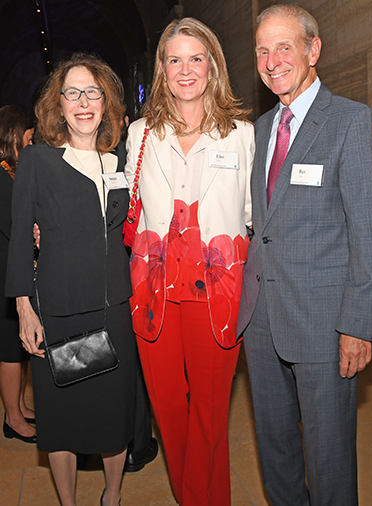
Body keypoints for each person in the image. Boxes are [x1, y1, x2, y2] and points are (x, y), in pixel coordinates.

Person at [237, 4, 372, 506]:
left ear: (313, 49)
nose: (272, 59)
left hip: (326, 326)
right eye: (263, 50)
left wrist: (358, 325)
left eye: (285, 46)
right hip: (262, 323)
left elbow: (370, 231)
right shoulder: (257, 132)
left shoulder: (351, 122)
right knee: (276, 452)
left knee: (328, 459)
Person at [124, 17, 254, 506]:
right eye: (174, 59)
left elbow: (253, 214)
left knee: (209, 411)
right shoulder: (140, 134)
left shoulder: (241, 134)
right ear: (161, 68)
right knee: (168, 408)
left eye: (195, 58)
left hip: (215, 291)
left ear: (212, 65)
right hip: (153, 290)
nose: (185, 70)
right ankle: (196, 497)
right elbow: (122, 204)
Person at [5, 53, 136, 506]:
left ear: (106, 103)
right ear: (57, 105)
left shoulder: (118, 160)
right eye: (73, 93)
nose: (84, 102)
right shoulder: (39, 161)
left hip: (115, 309)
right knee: (60, 420)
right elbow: (20, 236)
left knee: (114, 415)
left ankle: (113, 496)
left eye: (93, 92)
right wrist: (24, 308)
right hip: (57, 311)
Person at [0, 105, 36, 444]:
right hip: (4, 274)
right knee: (10, 351)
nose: (30, 144)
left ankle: (19, 405)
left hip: (10, 268)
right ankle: (12, 418)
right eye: (27, 139)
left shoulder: (9, 171)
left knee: (18, 348)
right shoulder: (1, 176)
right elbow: (15, 227)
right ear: (13, 137)